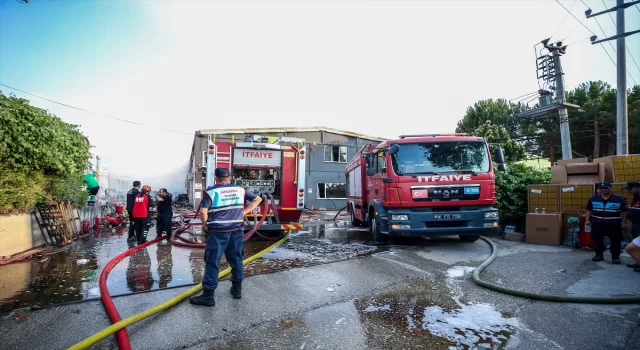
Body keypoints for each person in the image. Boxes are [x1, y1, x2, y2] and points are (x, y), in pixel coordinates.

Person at [189, 168, 262, 307]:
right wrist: (243, 212)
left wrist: (205, 225)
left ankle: (208, 297)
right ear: (230, 178)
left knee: (213, 261)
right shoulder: (240, 190)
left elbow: (203, 212)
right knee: (236, 259)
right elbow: (257, 199)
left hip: (218, 231)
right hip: (236, 230)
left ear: (216, 178)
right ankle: (237, 291)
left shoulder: (211, 192)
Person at [585, 182, 629, 264]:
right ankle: (598, 255)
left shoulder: (620, 199)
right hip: (597, 223)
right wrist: (587, 220)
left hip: (613, 223)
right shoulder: (593, 198)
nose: (603, 190)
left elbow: (624, 212)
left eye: (606, 188)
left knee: (615, 240)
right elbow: (588, 210)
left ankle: (615, 257)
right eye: (601, 188)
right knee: (597, 240)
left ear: (610, 188)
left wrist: (623, 223)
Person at [624, 181, 640, 269]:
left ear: (637, 188)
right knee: (636, 245)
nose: (628, 191)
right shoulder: (636, 198)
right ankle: (638, 262)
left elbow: (637, 209)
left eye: (629, 189)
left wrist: (629, 208)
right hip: (636, 224)